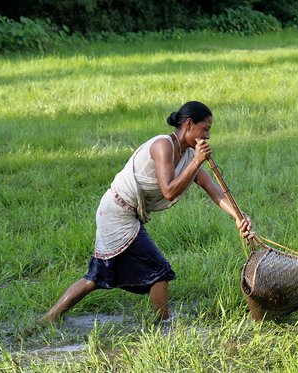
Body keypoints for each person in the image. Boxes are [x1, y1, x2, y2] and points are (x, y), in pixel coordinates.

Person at [41, 101, 252, 323]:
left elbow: (214, 190)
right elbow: (169, 191)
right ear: (189, 124)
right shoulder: (164, 146)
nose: (207, 136)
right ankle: (162, 327)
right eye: (205, 128)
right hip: (117, 212)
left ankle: (49, 318)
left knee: (97, 277)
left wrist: (239, 216)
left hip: (126, 214)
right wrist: (198, 161)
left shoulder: (188, 157)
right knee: (159, 271)